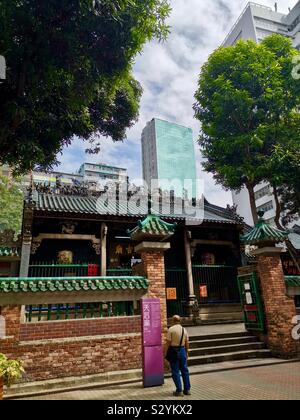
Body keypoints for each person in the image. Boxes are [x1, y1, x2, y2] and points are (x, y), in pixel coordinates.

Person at [164, 315, 191, 397]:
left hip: (174, 351)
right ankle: (187, 389)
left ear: (173, 320)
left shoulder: (171, 329)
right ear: (179, 321)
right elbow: (187, 342)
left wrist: (165, 353)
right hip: (182, 350)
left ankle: (179, 390)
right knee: (184, 370)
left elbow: (168, 343)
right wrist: (187, 352)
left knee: (175, 371)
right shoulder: (184, 329)